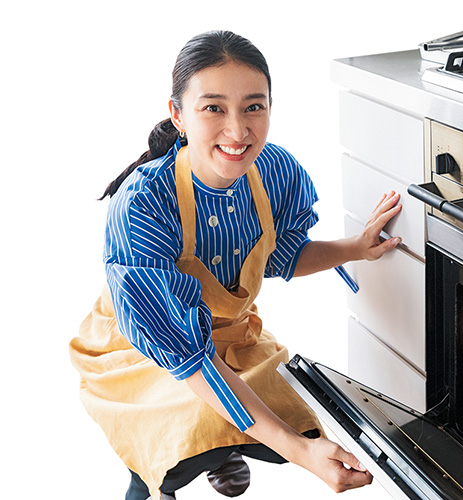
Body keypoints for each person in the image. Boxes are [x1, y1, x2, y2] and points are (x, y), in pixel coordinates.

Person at [69, 30, 402, 500]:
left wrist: (355, 247)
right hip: (145, 351)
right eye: (213, 108)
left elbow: (281, 256)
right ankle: (149, 471)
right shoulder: (143, 204)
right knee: (171, 443)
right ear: (177, 114)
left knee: (300, 416)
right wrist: (301, 457)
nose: (238, 131)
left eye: (253, 106)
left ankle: (221, 448)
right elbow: (186, 357)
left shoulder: (276, 172)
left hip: (231, 336)